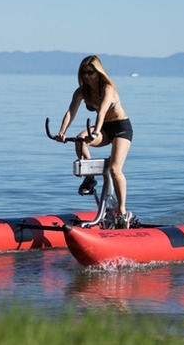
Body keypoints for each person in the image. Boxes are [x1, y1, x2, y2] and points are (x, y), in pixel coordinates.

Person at [55, 55, 136, 229]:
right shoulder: (82, 91)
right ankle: (90, 179)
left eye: (90, 72)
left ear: (98, 72)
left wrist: (96, 131)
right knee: (80, 140)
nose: (87, 75)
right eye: (83, 72)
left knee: (115, 169)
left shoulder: (108, 88)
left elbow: (102, 112)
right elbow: (71, 112)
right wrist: (61, 132)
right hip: (105, 128)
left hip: (121, 128)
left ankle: (122, 212)